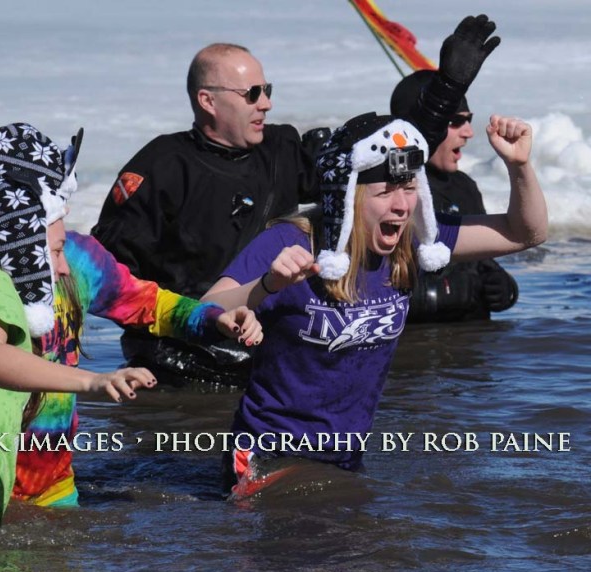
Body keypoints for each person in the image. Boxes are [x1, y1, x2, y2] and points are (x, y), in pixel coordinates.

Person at [0, 123, 262, 517]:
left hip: (54, 488)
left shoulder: (75, 260)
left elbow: (148, 304)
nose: (62, 228)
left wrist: (213, 319)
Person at [91, 15, 502, 385]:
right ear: (208, 101)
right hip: (178, 366)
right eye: (252, 93)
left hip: (261, 360)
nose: (266, 103)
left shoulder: (282, 151)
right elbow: (101, 273)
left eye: (267, 90)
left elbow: (373, 155)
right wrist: (183, 319)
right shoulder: (163, 166)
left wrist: (446, 90)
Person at [201, 111, 547, 498]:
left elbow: (525, 233)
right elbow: (206, 306)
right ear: (348, 196)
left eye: (410, 188)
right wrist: (266, 285)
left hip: (344, 457)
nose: (402, 206)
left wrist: (519, 166)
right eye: (385, 192)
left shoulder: (413, 243)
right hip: (267, 457)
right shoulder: (292, 244)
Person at [391, 69, 519, 321]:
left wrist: (504, 287)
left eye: (468, 120)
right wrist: (441, 291)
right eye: (455, 122)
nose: (469, 132)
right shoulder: (390, 191)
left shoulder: (464, 187)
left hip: (468, 348)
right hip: (414, 346)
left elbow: (485, 261)